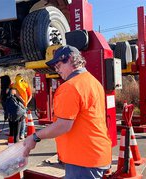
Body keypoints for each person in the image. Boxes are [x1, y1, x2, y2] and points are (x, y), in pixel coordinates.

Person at [23, 45, 112, 179]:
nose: (57, 70)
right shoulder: (93, 82)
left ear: (70, 59)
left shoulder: (70, 87)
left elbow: (63, 125)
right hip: (95, 154)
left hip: (83, 160)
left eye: (58, 65)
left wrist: (35, 137)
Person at [12, 74, 32, 139]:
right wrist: (24, 102)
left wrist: (25, 102)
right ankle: (21, 134)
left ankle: (20, 133)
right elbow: (15, 94)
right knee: (21, 119)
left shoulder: (23, 85)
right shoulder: (17, 85)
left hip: (21, 104)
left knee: (21, 119)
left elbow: (30, 95)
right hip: (19, 103)